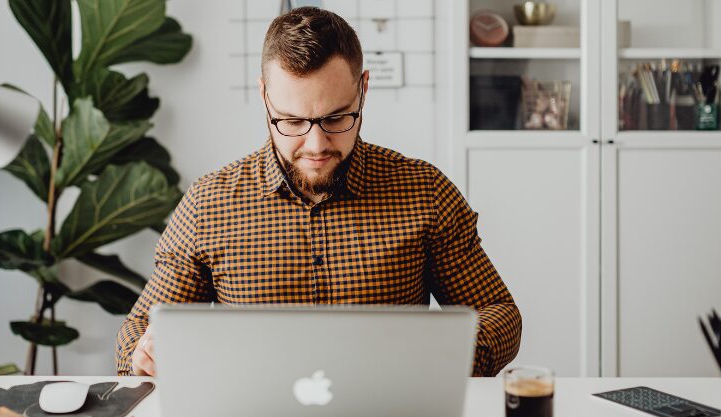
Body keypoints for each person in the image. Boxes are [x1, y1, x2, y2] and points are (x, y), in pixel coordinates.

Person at [115, 6, 521, 377]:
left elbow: (500, 314)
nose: (315, 145)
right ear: (264, 96)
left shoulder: (424, 191)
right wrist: (144, 353)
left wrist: (446, 355)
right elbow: (138, 329)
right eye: (291, 122)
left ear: (363, 89)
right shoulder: (209, 203)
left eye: (336, 118)